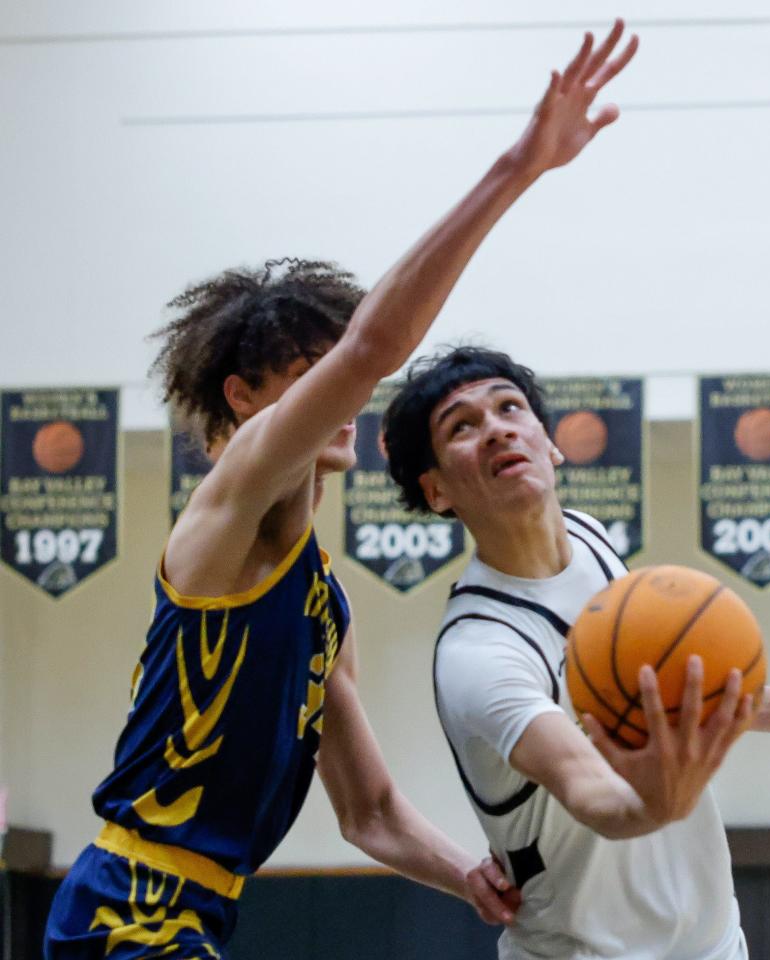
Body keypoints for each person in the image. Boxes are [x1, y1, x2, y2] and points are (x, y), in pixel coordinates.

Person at [43, 22, 640, 959]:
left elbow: (369, 812)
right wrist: (515, 170)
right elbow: (374, 347)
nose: (346, 395)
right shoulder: (225, 507)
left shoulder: (323, 607)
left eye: (337, 374)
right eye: (308, 375)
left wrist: (471, 879)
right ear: (245, 401)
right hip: (128, 903)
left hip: (199, 913)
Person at [381, 345, 770, 960]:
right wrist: (658, 799)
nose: (496, 428)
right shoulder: (479, 651)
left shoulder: (590, 538)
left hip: (715, 943)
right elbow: (591, 794)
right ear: (437, 489)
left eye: (509, 407)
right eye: (462, 426)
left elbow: (656, 702)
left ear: (550, 446)